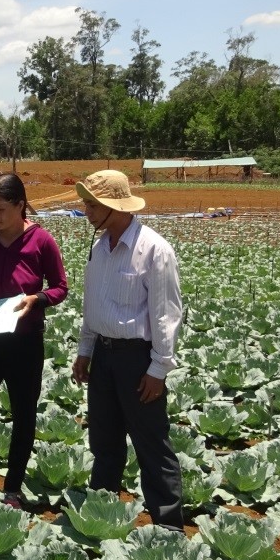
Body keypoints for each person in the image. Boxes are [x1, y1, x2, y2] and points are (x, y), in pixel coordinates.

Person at [71, 169, 184, 529]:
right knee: (104, 443)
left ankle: (169, 527)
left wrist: (158, 370)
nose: (86, 211)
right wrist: (86, 350)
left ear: (112, 206)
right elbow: (94, 306)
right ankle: (101, 518)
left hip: (138, 360)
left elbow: (166, 315)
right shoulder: (100, 249)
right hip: (103, 357)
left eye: (91, 204)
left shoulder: (154, 249)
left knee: (152, 446)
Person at [0, 173, 68, 501]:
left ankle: (13, 488)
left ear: (21, 206)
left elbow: (60, 286)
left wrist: (37, 299)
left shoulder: (42, 241)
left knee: (24, 415)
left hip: (25, 342)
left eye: (1, 208)